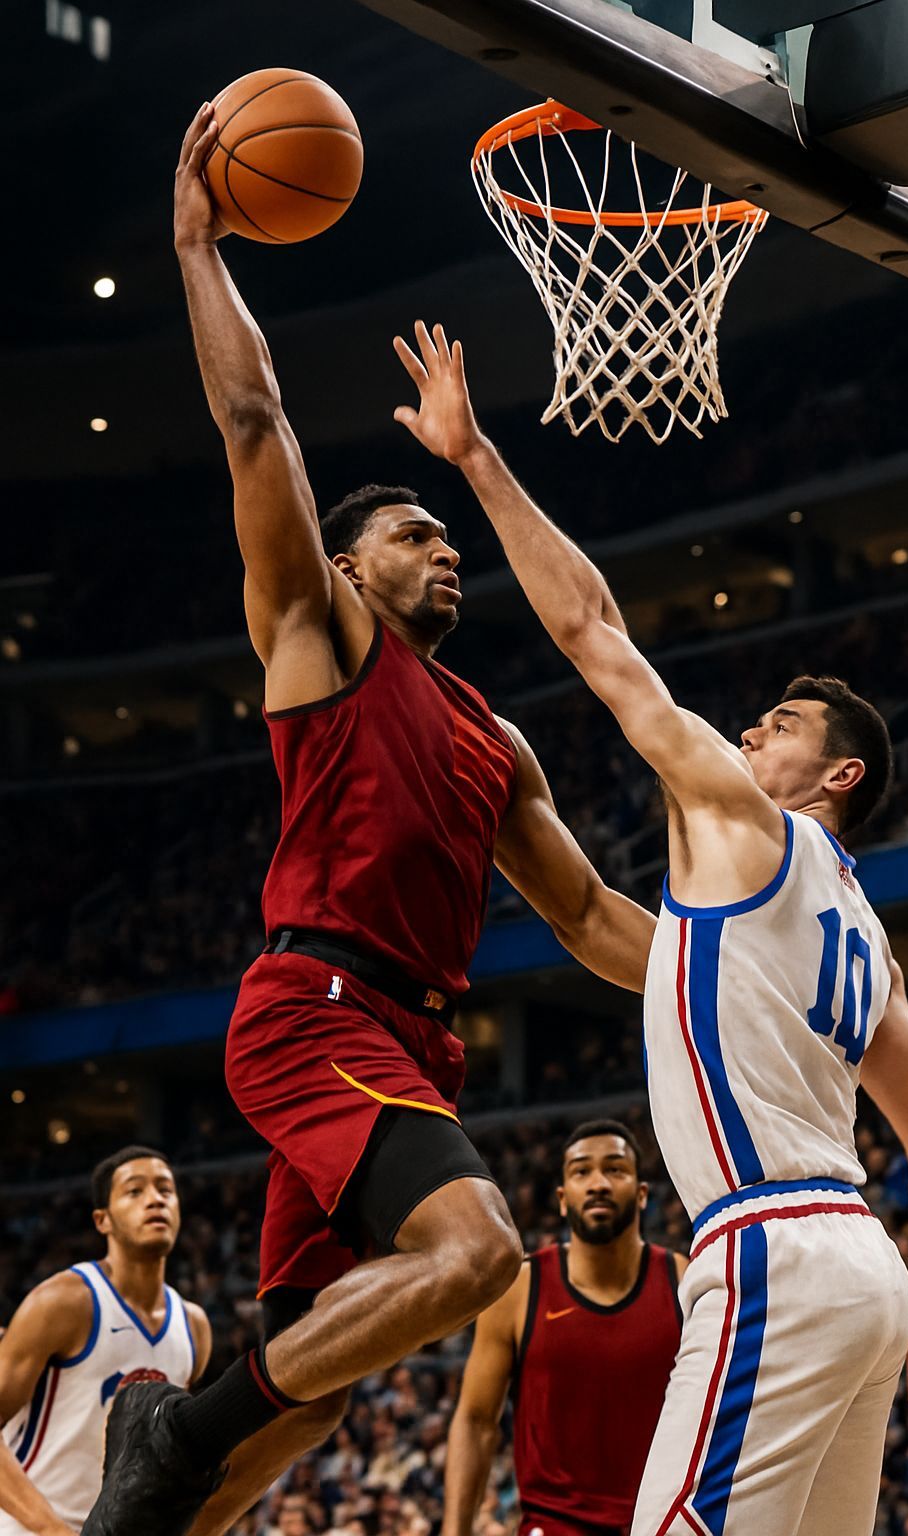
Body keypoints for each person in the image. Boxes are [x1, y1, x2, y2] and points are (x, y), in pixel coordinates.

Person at [81, 106, 654, 1536]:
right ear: (346, 560)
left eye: (455, 543)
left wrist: (732, 973)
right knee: (477, 1257)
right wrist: (199, 244)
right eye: (420, 533)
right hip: (313, 1008)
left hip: (409, 1043)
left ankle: (161, 1501)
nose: (449, 551)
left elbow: (588, 917)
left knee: (317, 1398)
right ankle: (164, 1422)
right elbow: (255, 418)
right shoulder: (319, 636)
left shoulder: (492, 734)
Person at [387, 321, 908, 1535]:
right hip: (867, 1270)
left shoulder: (747, 827)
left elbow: (596, 633)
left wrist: (475, 457)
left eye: (779, 725)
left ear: (838, 775)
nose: (749, 732)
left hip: (773, 1257)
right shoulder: (854, 938)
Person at [443, 1120, 686, 1536]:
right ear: (561, 1198)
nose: (598, 1184)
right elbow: (476, 1420)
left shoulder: (686, 1281)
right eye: (581, 1171)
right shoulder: (518, 1290)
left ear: (643, 1194)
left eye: (615, 1169)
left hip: (661, 1524)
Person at [0, 1148, 210, 1536]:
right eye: (135, 1191)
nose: (155, 1199)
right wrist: (51, 1530)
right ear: (103, 1220)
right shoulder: (64, 1302)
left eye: (166, 1189)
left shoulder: (194, 1326)